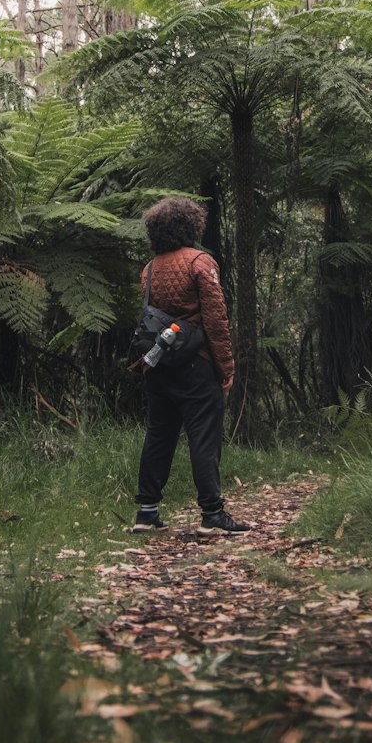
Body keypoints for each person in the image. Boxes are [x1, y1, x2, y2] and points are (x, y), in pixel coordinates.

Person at [132, 196, 250, 536]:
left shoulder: (149, 269)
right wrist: (226, 368)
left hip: (158, 364)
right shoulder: (201, 262)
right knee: (203, 435)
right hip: (196, 366)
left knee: (159, 435)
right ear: (191, 225)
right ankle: (212, 513)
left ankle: (147, 511)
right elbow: (216, 321)